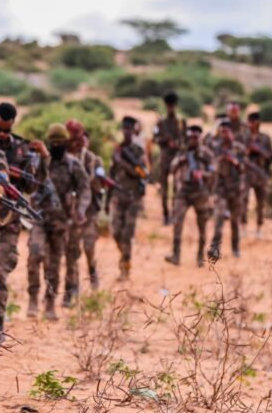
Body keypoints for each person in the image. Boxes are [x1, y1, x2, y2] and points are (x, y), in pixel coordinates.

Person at [0, 102, 41, 350]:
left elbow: (31, 186)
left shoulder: (22, 149)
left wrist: (17, 176)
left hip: (9, 221)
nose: (1, 134)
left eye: (6, 130)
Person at [26, 124, 91, 318]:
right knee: (35, 254)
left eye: (59, 142)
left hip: (61, 221)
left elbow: (85, 188)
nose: (56, 146)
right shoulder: (40, 162)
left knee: (54, 264)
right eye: (53, 142)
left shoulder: (72, 164)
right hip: (39, 217)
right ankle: (33, 298)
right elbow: (30, 183)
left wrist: (81, 209)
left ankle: (50, 303)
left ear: (66, 142)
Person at [64, 120, 103, 298]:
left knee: (88, 246)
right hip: (70, 211)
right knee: (71, 250)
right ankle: (72, 287)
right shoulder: (63, 157)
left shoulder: (91, 159)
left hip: (89, 210)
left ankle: (92, 270)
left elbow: (92, 183)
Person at [165, 126, 215, 267]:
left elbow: (213, 172)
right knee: (177, 221)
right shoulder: (183, 152)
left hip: (200, 191)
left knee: (202, 225)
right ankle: (176, 255)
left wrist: (202, 174)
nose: (193, 140)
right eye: (191, 137)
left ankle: (200, 257)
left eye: (195, 137)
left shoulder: (206, 154)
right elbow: (172, 168)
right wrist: (181, 161)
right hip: (184, 190)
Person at [108, 116, 148, 281]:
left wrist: (123, 163)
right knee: (116, 232)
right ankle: (125, 256)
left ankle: (124, 268)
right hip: (118, 196)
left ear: (133, 131)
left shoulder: (138, 151)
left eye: (129, 129)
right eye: (124, 129)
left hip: (133, 198)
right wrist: (108, 197)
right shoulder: (117, 150)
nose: (126, 132)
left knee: (127, 234)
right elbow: (111, 174)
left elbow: (142, 173)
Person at [208, 120, 247, 261]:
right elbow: (211, 165)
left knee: (235, 221)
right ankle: (214, 250)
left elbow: (244, 167)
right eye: (222, 131)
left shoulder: (239, 148)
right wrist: (220, 158)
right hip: (221, 189)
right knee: (219, 219)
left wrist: (234, 161)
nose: (224, 134)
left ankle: (235, 248)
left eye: (226, 131)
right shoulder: (216, 147)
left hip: (235, 189)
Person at [152, 91, 185, 225]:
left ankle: (175, 213)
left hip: (178, 157)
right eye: (169, 106)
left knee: (177, 187)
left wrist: (177, 144)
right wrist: (164, 140)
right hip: (165, 157)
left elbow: (187, 140)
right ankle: (166, 215)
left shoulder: (181, 122)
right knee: (164, 188)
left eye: (172, 106)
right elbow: (155, 139)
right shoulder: (161, 123)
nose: (171, 108)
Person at [243, 112, 272, 237]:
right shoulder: (244, 137)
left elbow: (270, 155)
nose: (250, 124)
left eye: (252, 122)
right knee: (244, 201)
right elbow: (238, 153)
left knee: (260, 203)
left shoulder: (265, 138)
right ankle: (243, 227)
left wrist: (265, 154)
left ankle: (259, 228)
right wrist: (248, 150)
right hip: (246, 174)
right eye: (249, 122)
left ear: (257, 122)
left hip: (261, 174)